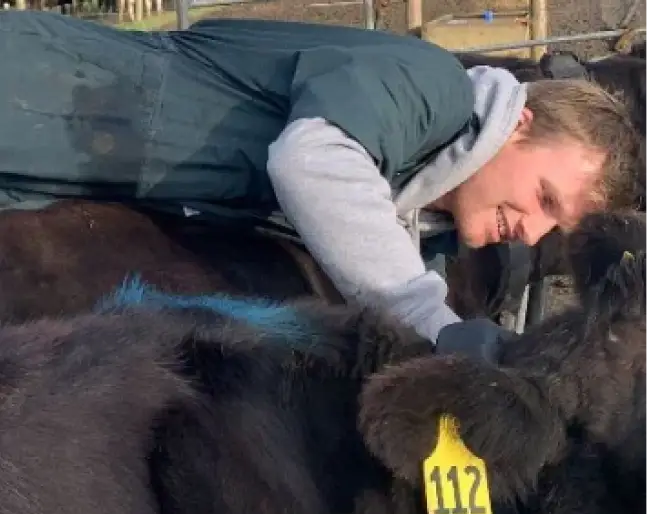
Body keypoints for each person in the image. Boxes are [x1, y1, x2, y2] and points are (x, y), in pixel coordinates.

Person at [0, 11, 640, 358]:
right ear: (519, 126)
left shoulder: (407, 200)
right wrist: (429, 318)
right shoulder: (432, 86)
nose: (531, 229)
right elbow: (311, 160)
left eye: (555, 226)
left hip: (65, 169)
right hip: (47, 96)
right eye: (545, 198)